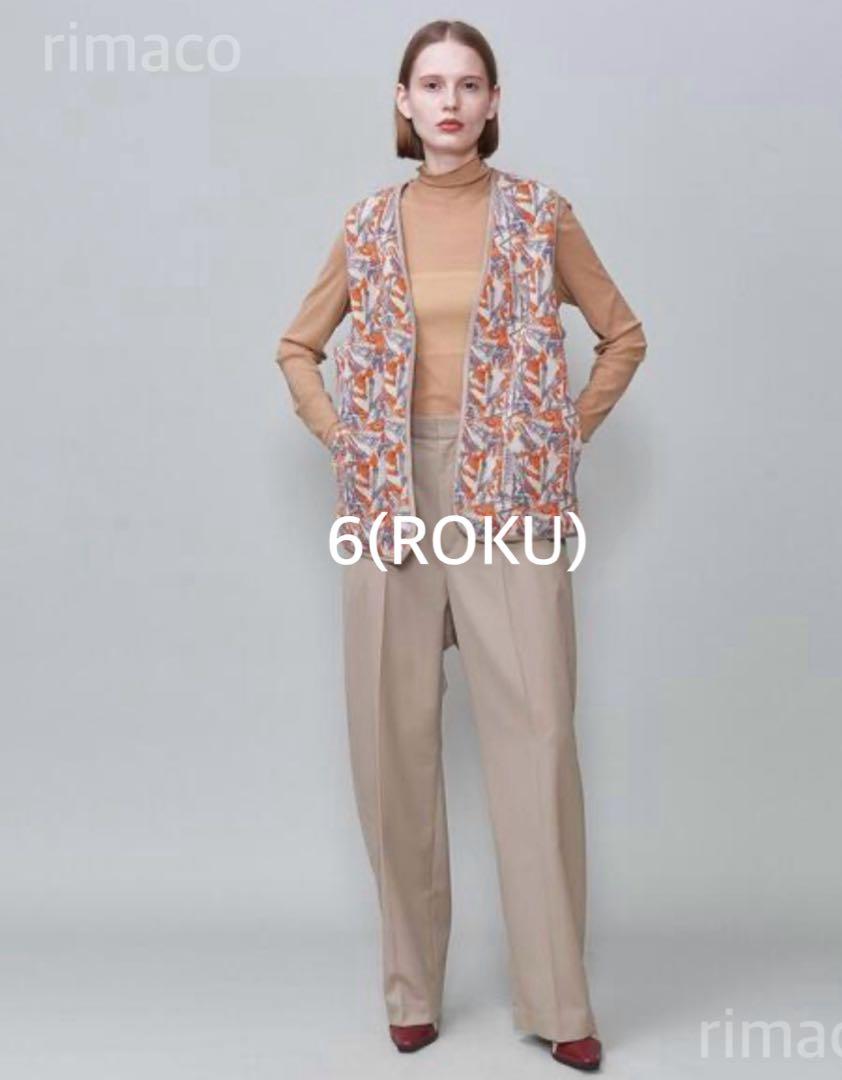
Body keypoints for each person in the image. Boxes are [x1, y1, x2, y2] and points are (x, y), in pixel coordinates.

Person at [274, 19, 647, 1072]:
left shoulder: (539, 214)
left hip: (510, 497)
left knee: (537, 742)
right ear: (403, 102)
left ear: (492, 102)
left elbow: (622, 334)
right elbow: (298, 348)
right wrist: (346, 440)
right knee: (390, 748)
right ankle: (409, 989)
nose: (449, 102)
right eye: (431, 84)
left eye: (468, 84)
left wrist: (560, 434)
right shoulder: (366, 224)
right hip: (389, 496)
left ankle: (559, 1002)